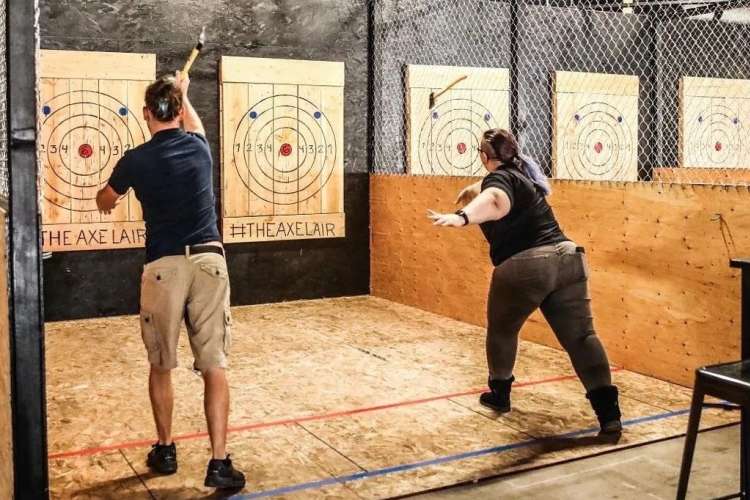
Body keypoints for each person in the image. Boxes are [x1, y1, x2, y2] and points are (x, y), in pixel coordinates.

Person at [96, 71, 246, 488]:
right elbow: (194, 124)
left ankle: (165, 449)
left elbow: (104, 200)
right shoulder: (199, 147)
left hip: (163, 269)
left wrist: (113, 194)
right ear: (179, 112)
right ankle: (219, 463)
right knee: (214, 366)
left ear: (147, 114)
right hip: (209, 263)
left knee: (161, 365)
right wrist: (184, 91)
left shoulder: (136, 160)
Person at [428, 129, 622, 434]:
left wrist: (463, 216)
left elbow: (495, 200)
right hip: (569, 258)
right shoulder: (525, 177)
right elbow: (493, 193)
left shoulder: (499, 180)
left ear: (484, 157)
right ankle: (609, 415)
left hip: (527, 264)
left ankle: (499, 394)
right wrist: (472, 192)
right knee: (583, 338)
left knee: (503, 331)